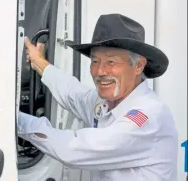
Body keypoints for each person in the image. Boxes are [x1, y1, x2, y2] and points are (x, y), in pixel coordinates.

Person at [18, 13, 178, 181]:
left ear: (138, 65)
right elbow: (72, 93)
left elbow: (74, 150)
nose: (100, 71)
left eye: (111, 62)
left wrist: (14, 120)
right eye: (95, 61)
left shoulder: (148, 116)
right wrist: (39, 62)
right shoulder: (105, 103)